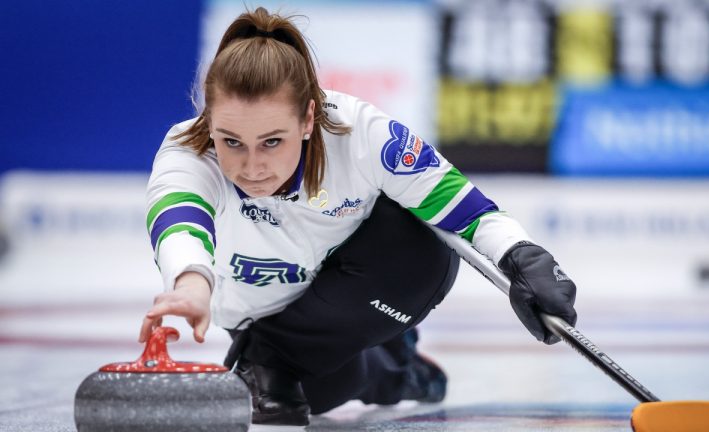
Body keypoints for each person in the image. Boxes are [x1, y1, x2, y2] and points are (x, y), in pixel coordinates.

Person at [139, 7, 577, 426]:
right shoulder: (188, 149)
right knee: (320, 392)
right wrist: (192, 286)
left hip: (360, 278)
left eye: (272, 142)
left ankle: (295, 355)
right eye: (231, 142)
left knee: (424, 241)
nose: (251, 167)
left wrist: (523, 256)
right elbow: (180, 219)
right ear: (210, 122)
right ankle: (398, 369)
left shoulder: (361, 131)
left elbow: (466, 212)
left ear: (309, 118)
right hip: (272, 319)